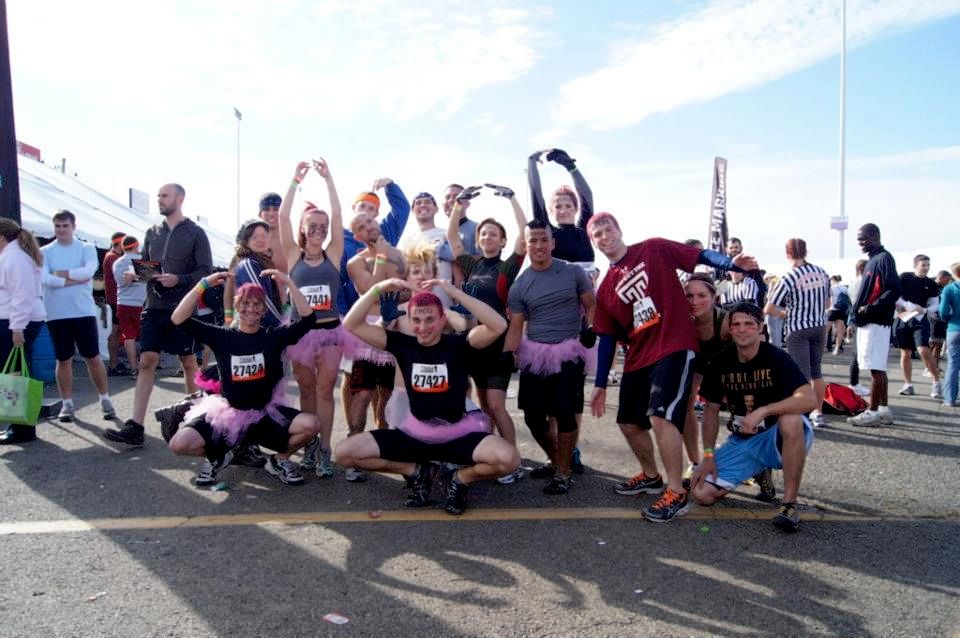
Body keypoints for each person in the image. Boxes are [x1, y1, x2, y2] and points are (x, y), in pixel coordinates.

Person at [587, 212, 756, 522]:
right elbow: (608, 338)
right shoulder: (606, 288)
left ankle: (676, 492)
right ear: (593, 242)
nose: (604, 235)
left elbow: (699, 254)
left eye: (608, 228)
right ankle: (651, 476)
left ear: (619, 228)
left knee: (662, 417)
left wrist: (732, 265)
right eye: (597, 234)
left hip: (674, 346)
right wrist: (599, 385)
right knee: (627, 422)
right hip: (638, 356)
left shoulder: (653, 248)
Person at [336, 278, 519, 515]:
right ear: (410, 322)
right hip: (416, 435)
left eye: (430, 319)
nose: (423, 326)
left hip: (458, 436)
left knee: (509, 459)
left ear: (443, 319)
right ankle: (419, 472)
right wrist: (379, 287)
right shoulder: (403, 345)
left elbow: (498, 325)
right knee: (344, 454)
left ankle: (459, 479)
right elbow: (351, 324)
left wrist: (453, 292)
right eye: (417, 320)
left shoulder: (459, 344)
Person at [166, 270, 326, 487]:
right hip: (228, 415)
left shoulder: (273, 337)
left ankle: (279, 460)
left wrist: (288, 282)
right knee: (179, 444)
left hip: (265, 415)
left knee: (312, 424)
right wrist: (204, 283)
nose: (251, 309)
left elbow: (309, 319)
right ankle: (218, 457)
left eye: (257, 304)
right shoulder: (222, 336)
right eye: (246, 303)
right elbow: (178, 318)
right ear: (238, 306)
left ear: (263, 310)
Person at [691, 302, 817, 532]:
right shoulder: (720, 362)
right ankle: (758, 470)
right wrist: (707, 455)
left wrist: (764, 410)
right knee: (701, 493)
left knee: (791, 419)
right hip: (744, 439)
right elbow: (710, 410)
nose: (742, 329)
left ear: (760, 328)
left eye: (749, 324)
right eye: (736, 324)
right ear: (729, 329)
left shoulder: (776, 357)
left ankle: (789, 504)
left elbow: (809, 399)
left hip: (776, 434)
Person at [106, 183, 213, 445]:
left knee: (188, 363)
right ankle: (135, 427)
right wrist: (138, 275)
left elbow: (205, 272)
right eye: (158, 196)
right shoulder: (152, 232)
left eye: (164, 196)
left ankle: (195, 422)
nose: (160, 200)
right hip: (153, 306)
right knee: (147, 361)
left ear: (180, 198)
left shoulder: (196, 233)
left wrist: (179, 278)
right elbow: (147, 267)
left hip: (183, 309)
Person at [505, 220, 595, 495]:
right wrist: (508, 355)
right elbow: (516, 326)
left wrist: (590, 328)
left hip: (569, 352)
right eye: (533, 240)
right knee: (532, 416)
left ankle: (564, 473)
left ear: (552, 243)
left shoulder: (573, 272)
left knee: (565, 413)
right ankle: (557, 461)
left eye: (544, 239)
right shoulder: (520, 285)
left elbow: (591, 305)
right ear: (526, 244)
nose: (539, 245)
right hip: (535, 354)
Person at [447, 184, 527, 484]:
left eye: (493, 234)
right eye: (483, 234)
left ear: (502, 240)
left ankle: (513, 460)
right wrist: (460, 204)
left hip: (498, 349)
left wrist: (512, 197)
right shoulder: (471, 263)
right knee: (483, 407)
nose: (487, 237)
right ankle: (493, 455)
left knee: (495, 406)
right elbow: (453, 237)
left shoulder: (508, 267)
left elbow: (524, 236)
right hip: (472, 345)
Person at [278, 159, 344, 479]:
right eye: (312, 226)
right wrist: (294, 181)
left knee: (324, 390)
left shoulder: (333, 255)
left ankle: (326, 450)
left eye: (323, 227)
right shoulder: (293, 256)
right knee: (305, 391)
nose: (319, 230)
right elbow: (281, 217)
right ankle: (309, 445)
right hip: (301, 332)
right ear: (303, 229)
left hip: (330, 331)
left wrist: (329, 179)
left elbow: (338, 214)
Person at [343, 210, 406, 480]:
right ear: (357, 235)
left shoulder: (401, 254)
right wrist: (380, 257)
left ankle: (385, 445)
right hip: (367, 333)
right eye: (361, 226)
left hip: (396, 331)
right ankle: (353, 450)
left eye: (370, 221)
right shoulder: (356, 262)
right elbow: (371, 294)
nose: (368, 227)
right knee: (363, 393)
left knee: (390, 393)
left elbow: (407, 289)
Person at [40, 211, 116, 423]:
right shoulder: (44, 251)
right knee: (63, 359)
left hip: (82, 312)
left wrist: (60, 274)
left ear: (73, 226)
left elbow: (88, 273)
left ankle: (104, 399)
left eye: (65, 226)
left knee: (93, 357)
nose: (61, 230)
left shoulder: (86, 247)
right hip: (56, 314)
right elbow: (44, 278)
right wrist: (72, 277)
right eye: (57, 226)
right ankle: (67, 404)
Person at [764, 238, 831, 426]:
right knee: (816, 372)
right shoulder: (822, 273)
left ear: (787, 254)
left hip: (798, 328)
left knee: (801, 374)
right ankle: (818, 412)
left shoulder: (788, 278)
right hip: (819, 326)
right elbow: (828, 304)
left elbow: (769, 308)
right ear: (806, 252)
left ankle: (802, 413)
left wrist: (785, 313)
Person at [680, 274, 730, 491]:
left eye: (701, 295)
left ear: (714, 296)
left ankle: (753, 464)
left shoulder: (726, 321)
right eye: (689, 295)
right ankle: (694, 462)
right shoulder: (684, 320)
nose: (694, 301)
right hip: (698, 360)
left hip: (722, 360)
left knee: (714, 405)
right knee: (685, 406)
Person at [847, 224, 899, 427]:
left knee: (875, 368)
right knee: (877, 367)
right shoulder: (873, 260)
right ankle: (883, 409)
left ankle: (873, 411)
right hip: (869, 322)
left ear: (876, 236)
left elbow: (893, 289)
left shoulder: (884, 258)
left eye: (864, 238)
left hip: (876, 322)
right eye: (859, 239)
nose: (860, 242)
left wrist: (869, 308)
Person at [0, 219, 47, 445]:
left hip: (16, 322)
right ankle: (19, 425)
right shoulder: (14, 255)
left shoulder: (14, 257)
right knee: (16, 373)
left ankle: (22, 429)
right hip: (16, 321)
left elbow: (22, 294)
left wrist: (17, 327)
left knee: (16, 374)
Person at [526, 148, 594, 264]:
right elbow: (536, 195)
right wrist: (531, 162)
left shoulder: (584, 231)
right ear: (551, 211)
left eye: (568, 206)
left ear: (576, 208)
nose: (563, 211)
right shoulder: (548, 233)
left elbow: (587, 195)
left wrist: (571, 167)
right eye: (558, 207)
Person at [894, 254, 942, 399]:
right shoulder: (904, 277)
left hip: (921, 320)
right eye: (923, 265)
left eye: (928, 265)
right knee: (905, 354)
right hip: (903, 319)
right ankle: (908, 385)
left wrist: (924, 310)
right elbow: (895, 296)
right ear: (915, 265)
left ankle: (936, 382)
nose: (926, 268)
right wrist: (909, 306)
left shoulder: (931, 283)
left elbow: (935, 305)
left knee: (923, 351)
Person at [400, 192, 454, 307]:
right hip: (419, 308)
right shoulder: (408, 240)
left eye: (427, 202)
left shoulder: (446, 234)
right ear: (413, 210)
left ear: (436, 209)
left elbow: (457, 271)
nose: (423, 205)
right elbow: (406, 274)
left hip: (445, 304)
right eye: (418, 203)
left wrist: (457, 298)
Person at [112, 236, 146, 377]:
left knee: (129, 337)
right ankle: (145, 368)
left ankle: (134, 368)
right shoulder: (141, 262)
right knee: (145, 337)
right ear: (136, 246)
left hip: (123, 303)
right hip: (139, 303)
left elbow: (119, 281)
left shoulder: (117, 262)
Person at [102, 231, 128, 375]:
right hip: (115, 299)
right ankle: (113, 364)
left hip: (115, 299)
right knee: (115, 332)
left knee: (117, 332)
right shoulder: (112, 257)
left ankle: (115, 363)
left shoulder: (112, 256)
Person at [937, 262, 960, 408]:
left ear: (953, 274)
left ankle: (950, 399)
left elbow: (943, 312)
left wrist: (948, 318)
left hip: (954, 328)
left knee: (953, 364)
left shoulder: (949, 289)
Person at [847, 259, 870, 396]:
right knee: (856, 353)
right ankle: (854, 383)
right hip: (862, 320)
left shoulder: (852, 283)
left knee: (857, 353)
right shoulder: (862, 283)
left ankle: (854, 382)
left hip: (856, 319)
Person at [442, 184, 480, 256]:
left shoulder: (478, 229)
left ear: (467, 204)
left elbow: (484, 261)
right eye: (447, 197)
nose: (451, 200)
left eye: (456, 197)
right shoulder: (440, 233)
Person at [826, 275, 851, 355]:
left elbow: (828, 299)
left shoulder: (831, 288)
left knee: (825, 331)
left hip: (832, 310)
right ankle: (837, 349)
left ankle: (820, 347)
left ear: (833, 280)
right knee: (840, 331)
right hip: (841, 311)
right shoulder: (844, 288)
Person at [931, 270, 952, 363]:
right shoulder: (932, 286)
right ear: (941, 278)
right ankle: (930, 368)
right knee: (934, 344)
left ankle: (935, 366)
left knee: (939, 344)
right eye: (947, 280)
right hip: (933, 319)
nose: (947, 283)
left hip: (941, 319)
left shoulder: (943, 288)